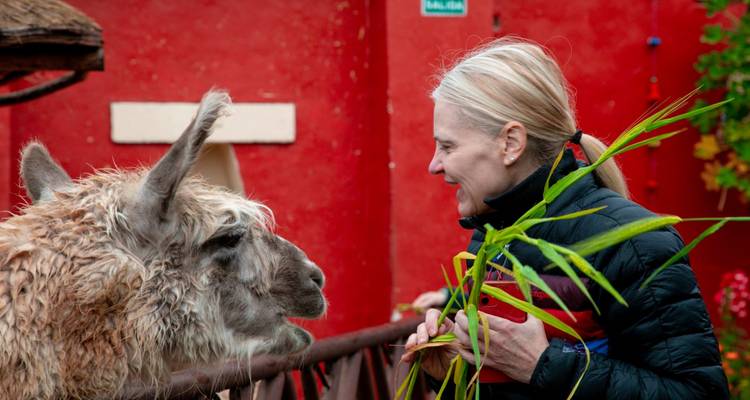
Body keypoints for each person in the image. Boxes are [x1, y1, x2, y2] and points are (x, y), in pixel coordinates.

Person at [401, 38, 729, 399]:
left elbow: (698, 392)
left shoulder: (632, 242)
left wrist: (543, 364)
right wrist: (453, 369)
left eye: (447, 146)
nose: (434, 165)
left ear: (511, 143)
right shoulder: (495, 231)